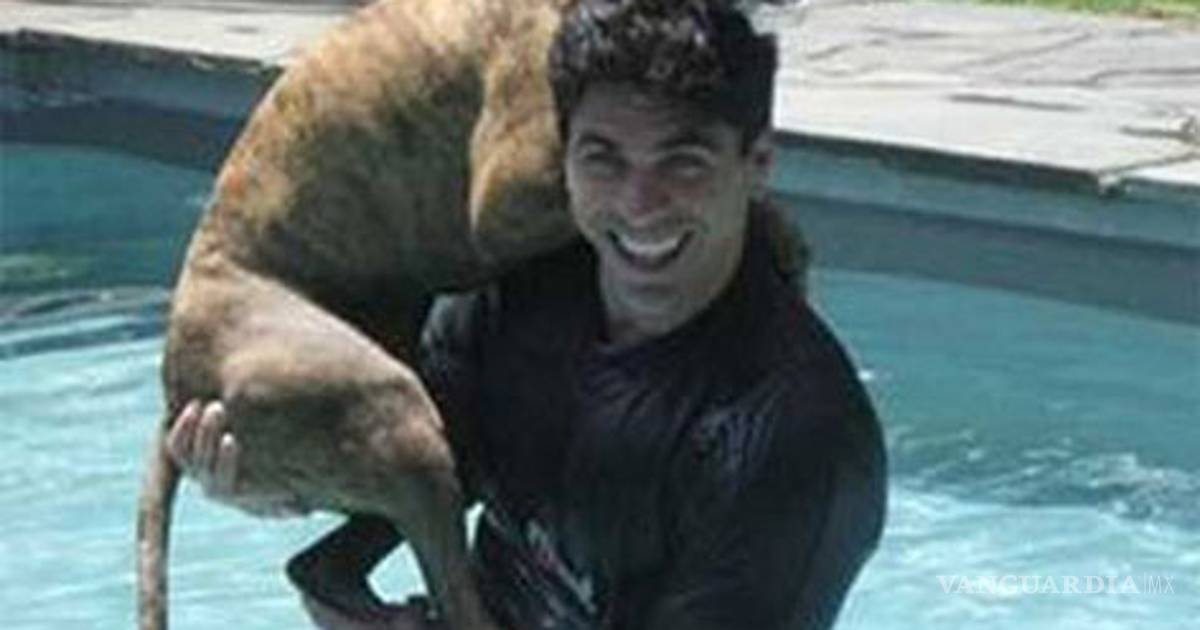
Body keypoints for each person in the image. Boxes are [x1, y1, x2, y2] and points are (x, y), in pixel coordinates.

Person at [168, 1, 887, 628]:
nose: (639, 204)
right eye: (604, 159)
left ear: (757, 164)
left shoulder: (791, 442)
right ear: (561, 156)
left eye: (682, 162)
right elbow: (416, 461)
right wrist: (280, 483)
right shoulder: (517, 299)